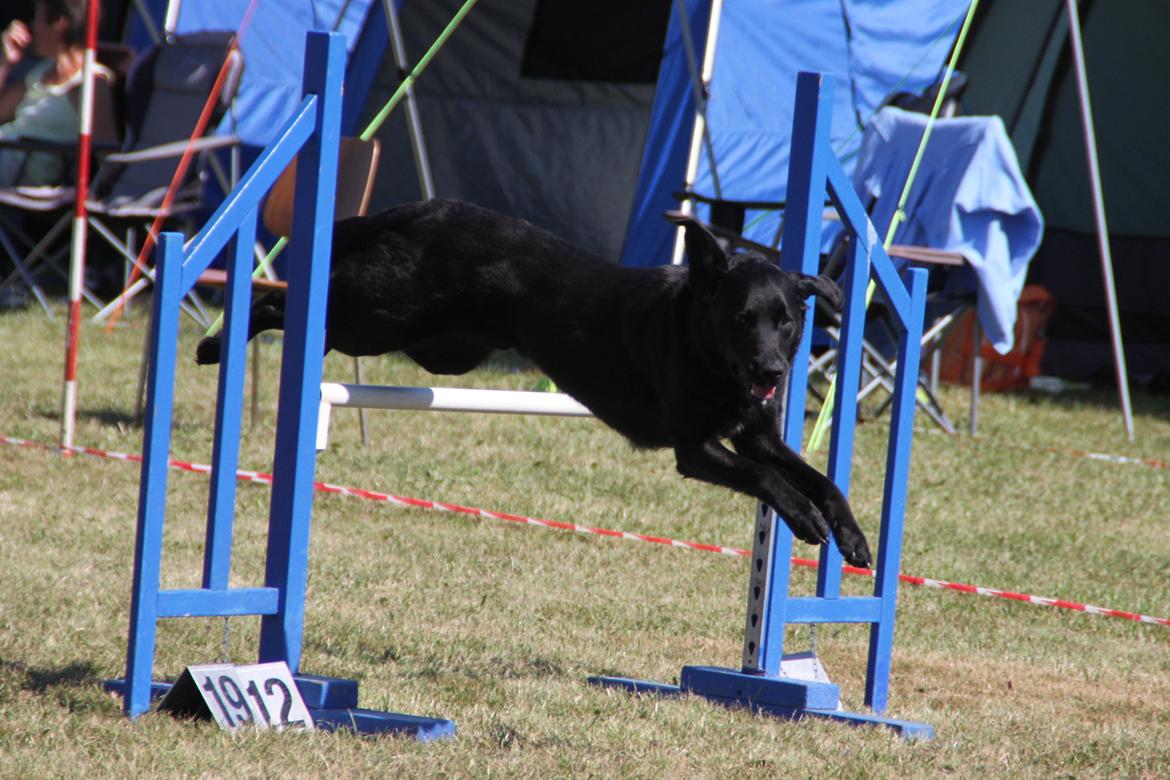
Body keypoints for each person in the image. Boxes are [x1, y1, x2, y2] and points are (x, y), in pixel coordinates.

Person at [0, 0, 114, 186]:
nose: (31, 28)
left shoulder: (89, 83)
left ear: (59, 24)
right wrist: (6, 62)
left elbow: (107, 154)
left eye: (37, 19)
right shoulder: (42, 70)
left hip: (23, 174)